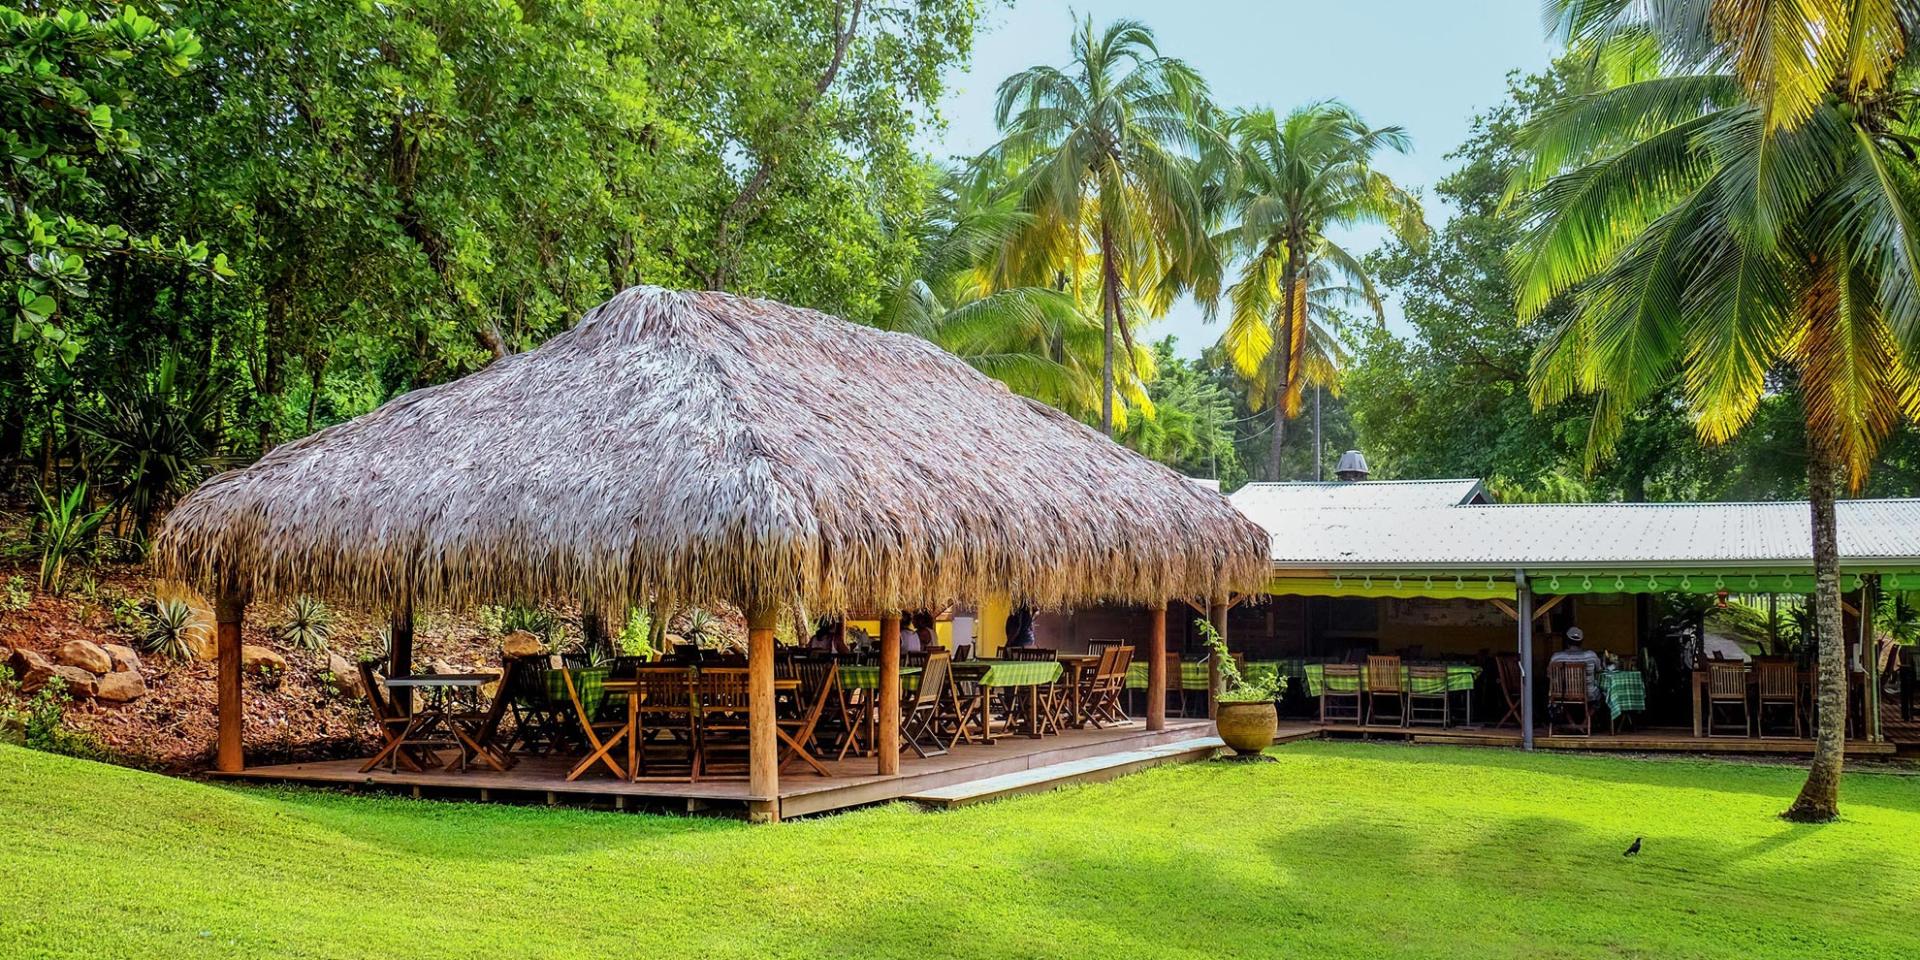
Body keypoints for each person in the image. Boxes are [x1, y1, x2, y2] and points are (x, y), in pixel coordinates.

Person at [1549, 627, 1604, 703]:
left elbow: (1549, 675)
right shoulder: (1591, 656)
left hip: (1561, 694)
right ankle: (1588, 714)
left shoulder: (1556, 657)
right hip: (1588, 694)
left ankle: (1567, 715)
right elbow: (1599, 670)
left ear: (1567, 642)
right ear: (1581, 642)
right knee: (1602, 691)